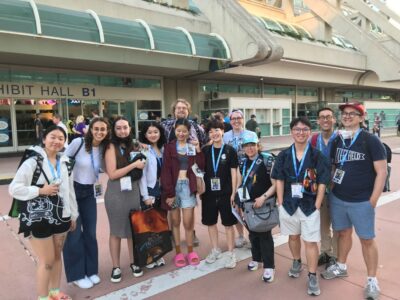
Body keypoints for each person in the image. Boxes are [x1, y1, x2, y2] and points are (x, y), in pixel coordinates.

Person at [321, 102, 387, 300]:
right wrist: (332, 189)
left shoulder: (370, 140)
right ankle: (341, 266)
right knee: (343, 233)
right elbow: (334, 167)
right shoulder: (337, 140)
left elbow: (382, 171)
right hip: (339, 198)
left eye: (352, 113)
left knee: (367, 239)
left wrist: (373, 200)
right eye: (344, 113)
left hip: (362, 201)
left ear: (361, 117)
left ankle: (372, 280)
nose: (347, 116)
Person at [9, 125, 78, 300]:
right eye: (53, 137)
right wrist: (40, 190)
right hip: (38, 218)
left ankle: (55, 292)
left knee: (56, 258)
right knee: (46, 261)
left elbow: (69, 191)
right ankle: (43, 297)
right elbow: (14, 188)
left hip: (61, 216)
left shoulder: (65, 162)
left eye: (61, 138)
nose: (57, 141)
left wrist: (73, 215)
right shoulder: (32, 162)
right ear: (44, 139)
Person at [272, 117, 330, 296]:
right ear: (291, 132)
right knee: (294, 237)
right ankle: (296, 260)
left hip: (309, 205)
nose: (301, 132)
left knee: (311, 241)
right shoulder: (283, 155)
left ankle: (312, 275)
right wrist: (280, 202)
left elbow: (322, 182)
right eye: (297, 129)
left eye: (305, 129)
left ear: (310, 132)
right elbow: (279, 179)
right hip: (288, 204)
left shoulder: (316, 155)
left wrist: (318, 204)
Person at [63, 117, 110, 289]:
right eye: (96, 128)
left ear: (107, 132)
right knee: (74, 233)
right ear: (90, 130)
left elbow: (106, 167)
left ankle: (90, 270)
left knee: (90, 233)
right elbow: (63, 163)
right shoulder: (78, 143)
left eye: (103, 129)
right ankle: (76, 274)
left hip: (90, 192)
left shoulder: (105, 148)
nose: (99, 132)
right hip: (73, 190)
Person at [104, 116, 146, 282]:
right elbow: (113, 174)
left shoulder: (134, 145)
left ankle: (134, 262)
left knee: (132, 231)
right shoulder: (110, 147)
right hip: (116, 193)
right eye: (119, 128)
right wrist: (134, 165)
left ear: (130, 128)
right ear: (114, 130)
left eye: (125, 127)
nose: (122, 131)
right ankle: (115, 266)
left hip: (133, 191)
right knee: (115, 231)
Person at [161, 99, 206, 246]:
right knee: (174, 217)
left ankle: (190, 234)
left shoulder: (196, 127)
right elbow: (153, 136)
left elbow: (203, 144)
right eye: (178, 108)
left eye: (184, 108)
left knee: (188, 218)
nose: (181, 110)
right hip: (172, 175)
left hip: (188, 179)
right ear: (174, 110)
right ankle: (174, 238)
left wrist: (198, 148)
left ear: (188, 111)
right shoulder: (165, 126)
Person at [238, 131, 277, 282]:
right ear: (243, 147)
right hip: (248, 204)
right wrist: (238, 201)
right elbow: (241, 182)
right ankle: (257, 259)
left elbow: (275, 184)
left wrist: (263, 197)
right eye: (246, 145)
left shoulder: (268, 160)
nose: (250, 148)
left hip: (264, 203)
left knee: (265, 235)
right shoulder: (242, 161)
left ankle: (269, 266)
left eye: (252, 145)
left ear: (258, 145)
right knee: (253, 233)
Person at [201, 119, 238, 269]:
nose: (214, 133)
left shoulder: (230, 150)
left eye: (217, 130)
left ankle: (230, 253)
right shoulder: (205, 150)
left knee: (228, 224)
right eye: (210, 131)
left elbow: (234, 172)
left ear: (223, 131)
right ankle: (215, 249)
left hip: (225, 193)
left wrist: (233, 193)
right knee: (211, 223)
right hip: (209, 194)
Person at [310, 107, 338, 269]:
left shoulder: (341, 138)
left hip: (339, 189)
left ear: (334, 119)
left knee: (338, 225)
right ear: (318, 121)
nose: (325, 120)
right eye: (322, 117)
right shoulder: (313, 140)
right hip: (320, 189)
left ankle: (335, 256)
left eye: (328, 117)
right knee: (323, 224)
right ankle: (326, 251)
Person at [138, 121, 167, 269]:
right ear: (145, 134)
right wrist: (145, 196)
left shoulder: (163, 148)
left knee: (159, 224)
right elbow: (141, 176)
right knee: (148, 225)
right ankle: (149, 256)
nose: (153, 135)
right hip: (150, 190)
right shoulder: (143, 150)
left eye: (155, 132)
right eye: (149, 132)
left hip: (163, 190)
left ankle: (158, 254)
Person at [223, 109, 253, 248]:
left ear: (243, 119)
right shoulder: (225, 136)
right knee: (235, 206)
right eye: (233, 118)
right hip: (231, 177)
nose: (236, 121)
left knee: (247, 206)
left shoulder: (250, 134)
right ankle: (241, 235)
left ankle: (253, 234)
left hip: (248, 177)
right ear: (230, 120)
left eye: (238, 118)